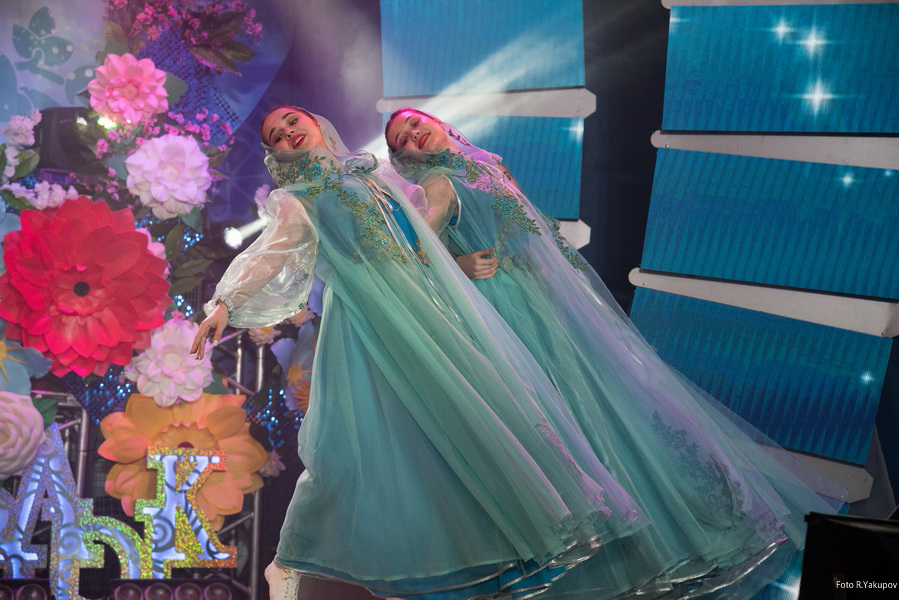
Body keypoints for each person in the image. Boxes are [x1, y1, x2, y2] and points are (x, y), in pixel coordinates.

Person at [190, 107, 649, 600]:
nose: (287, 132)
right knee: (359, 445)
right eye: (276, 135)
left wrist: (456, 267)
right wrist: (225, 304)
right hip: (373, 319)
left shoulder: (373, 175)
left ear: (318, 124)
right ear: (276, 154)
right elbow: (270, 252)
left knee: (454, 430)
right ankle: (292, 560)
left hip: (428, 309)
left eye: (291, 121)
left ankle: (452, 557)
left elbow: (419, 245)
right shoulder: (296, 198)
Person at [386, 108, 846, 599]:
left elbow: (539, 237)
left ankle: (675, 534)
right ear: (402, 158)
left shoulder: (489, 164)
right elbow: (408, 258)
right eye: (401, 139)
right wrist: (458, 263)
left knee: (616, 410)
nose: (413, 134)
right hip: (510, 314)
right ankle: (621, 556)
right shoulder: (437, 184)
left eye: (414, 122)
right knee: (573, 418)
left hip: (550, 303)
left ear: (439, 122)